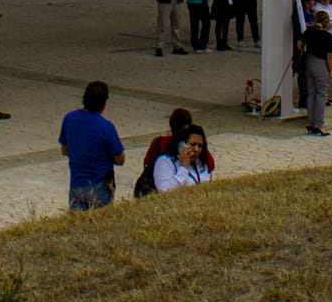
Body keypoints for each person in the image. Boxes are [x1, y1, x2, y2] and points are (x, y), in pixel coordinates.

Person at [58, 80, 125, 209]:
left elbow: (65, 150)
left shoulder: (69, 118)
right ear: (104, 103)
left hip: (76, 184)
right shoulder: (106, 126)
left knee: (77, 225)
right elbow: (120, 159)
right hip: (99, 185)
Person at [139, 106, 218, 177]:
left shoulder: (159, 142)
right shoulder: (194, 144)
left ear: (171, 124)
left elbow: (147, 162)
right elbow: (210, 165)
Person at [300, 10, 332, 136]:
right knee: (321, 95)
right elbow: (329, 56)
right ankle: (318, 124)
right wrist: (331, 71)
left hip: (309, 62)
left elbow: (300, 43)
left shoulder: (309, 31)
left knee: (311, 93)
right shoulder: (327, 36)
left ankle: (310, 123)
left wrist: (303, 52)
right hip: (321, 64)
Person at [153, 125, 213, 191]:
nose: (196, 149)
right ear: (180, 144)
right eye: (192, 144)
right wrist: (183, 168)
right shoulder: (165, 161)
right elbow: (164, 190)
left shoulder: (200, 163)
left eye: (200, 146)